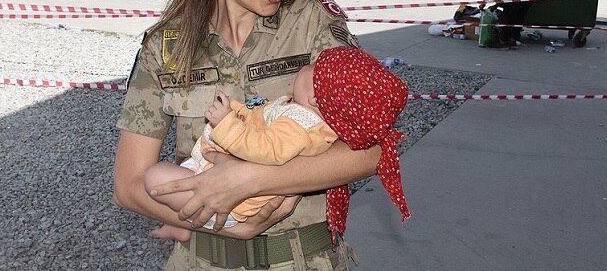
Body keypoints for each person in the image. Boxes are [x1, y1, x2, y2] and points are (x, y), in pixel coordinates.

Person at [114, 0, 381, 271]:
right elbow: (130, 185)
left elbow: (370, 151)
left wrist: (254, 179)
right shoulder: (167, 46)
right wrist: (226, 227)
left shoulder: (314, 27)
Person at [145, 47, 411, 246]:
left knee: (156, 177)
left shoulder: (300, 124)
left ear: (316, 98)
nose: (308, 66)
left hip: (234, 201)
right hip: (226, 185)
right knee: (177, 177)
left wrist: (226, 124)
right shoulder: (302, 114)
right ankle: (181, 225)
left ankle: (186, 222)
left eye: (314, 68)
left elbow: (267, 148)